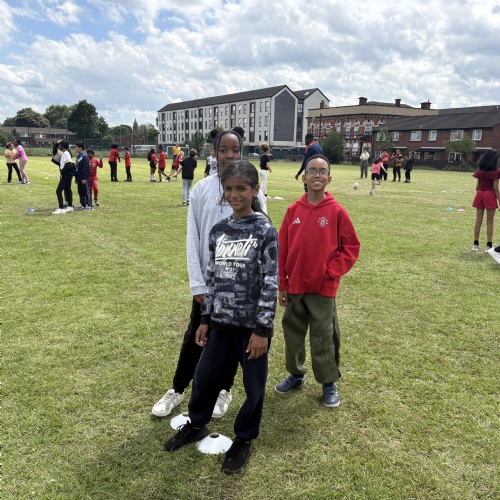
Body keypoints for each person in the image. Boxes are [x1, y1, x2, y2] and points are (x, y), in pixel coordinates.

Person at [163, 160, 278, 475]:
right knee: (204, 378)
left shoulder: (265, 230)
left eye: (241, 188)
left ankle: (244, 438)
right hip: (220, 325)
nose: (234, 194)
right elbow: (212, 279)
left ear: (255, 190)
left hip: (252, 329)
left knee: (254, 387)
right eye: (229, 189)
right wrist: (205, 319)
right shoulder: (219, 231)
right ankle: (196, 423)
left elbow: (271, 283)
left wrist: (262, 330)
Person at [151, 127, 267, 420]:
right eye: (223, 149)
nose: (229, 155)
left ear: (242, 152)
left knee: (232, 341)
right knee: (196, 336)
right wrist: (197, 284)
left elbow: (263, 237)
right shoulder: (202, 189)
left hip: (240, 289)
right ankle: (178, 389)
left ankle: (224, 390)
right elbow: (193, 238)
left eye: (235, 150)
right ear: (213, 153)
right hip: (209, 284)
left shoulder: (253, 190)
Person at [275, 154, 360, 408]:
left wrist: (330, 271)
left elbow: (351, 247)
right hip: (295, 287)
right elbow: (282, 249)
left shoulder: (336, 211)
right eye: (312, 170)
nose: (317, 175)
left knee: (324, 336)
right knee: (293, 334)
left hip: (322, 288)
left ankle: (328, 382)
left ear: (329, 179)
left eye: (323, 171)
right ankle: (296, 374)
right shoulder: (293, 210)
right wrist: (282, 284)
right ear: (304, 177)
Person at [471, 149, 500, 252]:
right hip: (490, 194)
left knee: (478, 220)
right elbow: (495, 188)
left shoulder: (480, 171)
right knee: (490, 221)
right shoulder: (496, 171)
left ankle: (475, 244)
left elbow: (477, 187)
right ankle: (488, 245)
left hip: (480, 194)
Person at [53, 141, 74, 214]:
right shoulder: (64, 153)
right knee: (67, 190)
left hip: (66, 175)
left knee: (58, 191)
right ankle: (70, 207)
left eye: (60, 145)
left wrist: (62, 172)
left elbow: (69, 164)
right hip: (67, 175)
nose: (59, 146)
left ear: (63, 146)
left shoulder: (66, 153)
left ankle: (61, 208)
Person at [75, 142, 91, 209]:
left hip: (83, 177)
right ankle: (83, 204)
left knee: (85, 191)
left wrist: (84, 178)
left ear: (80, 148)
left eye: (76, 147)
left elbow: (85, 168)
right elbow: (77, 167)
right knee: (80, 191)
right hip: (79, 176)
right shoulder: (78, 156)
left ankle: (89, 205)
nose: (75, 149)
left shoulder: (84, 157)